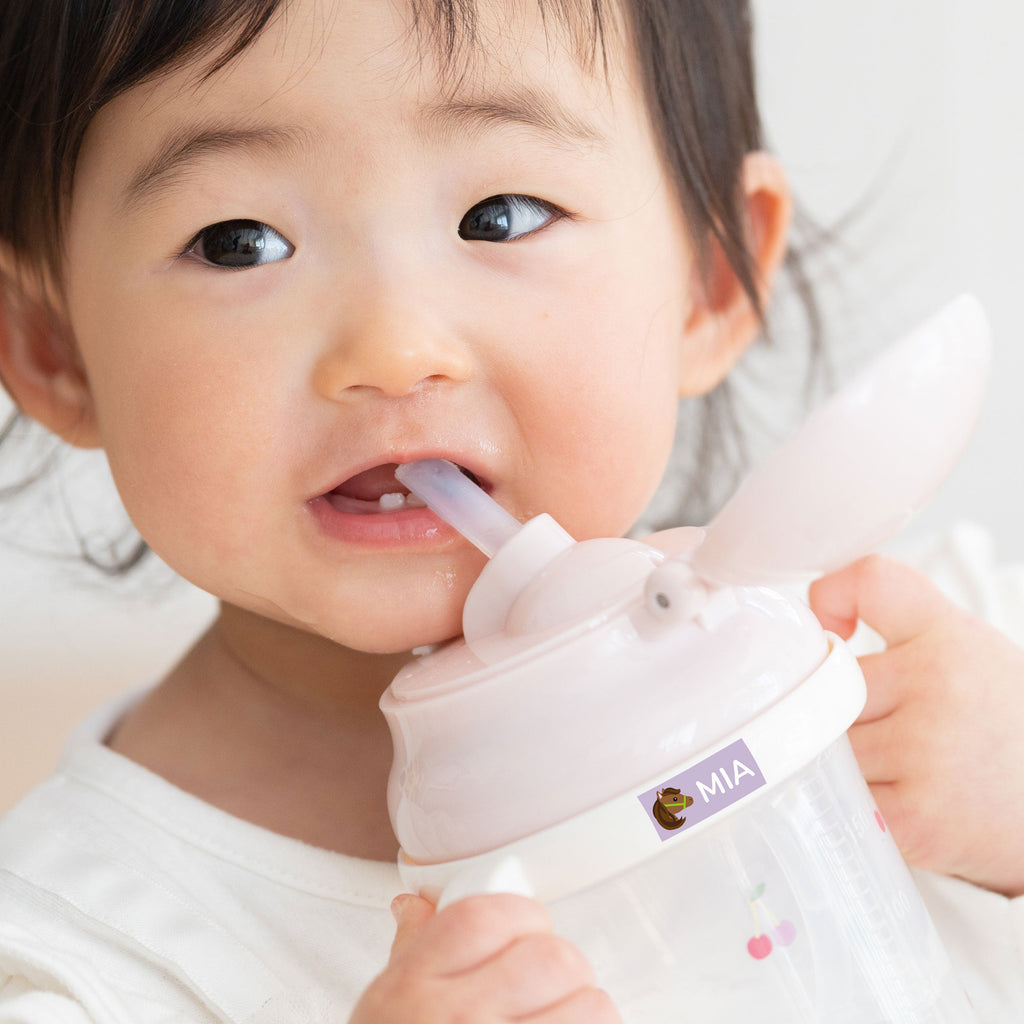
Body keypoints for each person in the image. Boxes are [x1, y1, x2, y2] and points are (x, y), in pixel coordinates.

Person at [0, 0, 1020, 1021]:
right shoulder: (75, 962)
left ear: (710, 279)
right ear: (56, 347)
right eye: (238, 242)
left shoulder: (918, 665)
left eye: (502, 214)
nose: (394, 347)